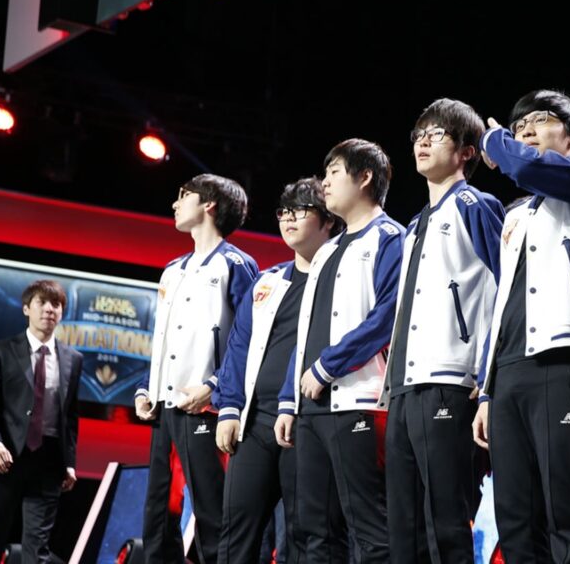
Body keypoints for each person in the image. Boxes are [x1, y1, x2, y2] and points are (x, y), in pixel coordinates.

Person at [471, 89, 570, 563]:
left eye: (540, 121)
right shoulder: (516, 214)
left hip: (567, 361)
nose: (527, 132)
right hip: (510, 374)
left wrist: (496, 140)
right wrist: (486, 389)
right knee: (516, 520)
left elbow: (532, 167)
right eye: (519, 128)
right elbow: (502, 305)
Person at [383, 98, 504, 563]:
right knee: (403, 525)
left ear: (467, 151)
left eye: (437, 133)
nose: (423, 142)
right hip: (404, 388)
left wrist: (487, 384)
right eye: (418, 135)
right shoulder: (414, 225)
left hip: (451, 383)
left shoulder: (478, 206)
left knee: (446, 525)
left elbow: (504, 293)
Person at [274, 139, 404, 563]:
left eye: (333, 172)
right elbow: (307, 330)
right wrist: (288, 401)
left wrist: (327, 366)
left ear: (364, 178)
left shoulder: (392, 237)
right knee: (313, 531)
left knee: (369, 527)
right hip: (311, 408)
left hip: (360, 402)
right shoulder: (327, 250)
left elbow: (388, 317)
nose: (324, 181)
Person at [213, 177, 339, 563]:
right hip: (255, 421)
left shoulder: (341, 277)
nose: (288, 219)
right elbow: (239, 348)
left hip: (308, 419)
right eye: (284, 211)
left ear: (329, 220)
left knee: (301, 536)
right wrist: (229, 408)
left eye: (300, 210)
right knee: (235, 532)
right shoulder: (267, 281)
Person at [134, 174, 259, 564]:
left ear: (209, 204)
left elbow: (249, 339)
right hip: (164, 406)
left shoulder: (236, 264)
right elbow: (163, 340)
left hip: (203, 406)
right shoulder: (173, 269)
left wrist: (214, 386)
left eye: (182, 196)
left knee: (210, 510)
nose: (174, 204)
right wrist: (144, 386)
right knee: (158, 511)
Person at [0, 279, 83, 564]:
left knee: (38, 550)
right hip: (5, 459)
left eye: (56, 304)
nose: (49, 309)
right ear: (26, 309)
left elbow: (69, 417)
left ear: (61, 313)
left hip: (48, 463)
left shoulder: (73, 359)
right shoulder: (1, 350)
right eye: (42, 303)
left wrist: (69, 462)